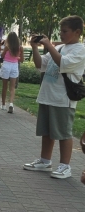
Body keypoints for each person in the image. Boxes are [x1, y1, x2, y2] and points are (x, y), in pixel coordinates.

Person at [23, 15, 85, 179]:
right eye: (61, 31)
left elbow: (62, 63)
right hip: (47, 95)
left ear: (77, 32)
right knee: (47, 131)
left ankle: (65, 166)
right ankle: (45, 161)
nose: (62, 34)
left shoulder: (81, 50)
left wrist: (49, 44)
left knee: (63, 133)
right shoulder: (59, 48)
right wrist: (35, 48)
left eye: (65, 31)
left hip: (63, 99)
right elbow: (40, 64)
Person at [0, 31, 22, 112]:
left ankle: (3, 104)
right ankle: (11, 104)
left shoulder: (7, 47)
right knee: (12, 87)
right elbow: (21, 60)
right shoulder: (20, 48)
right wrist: (16, 58)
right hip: (14, 66)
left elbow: (2, 56)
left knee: (4, 86)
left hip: (6, 65)